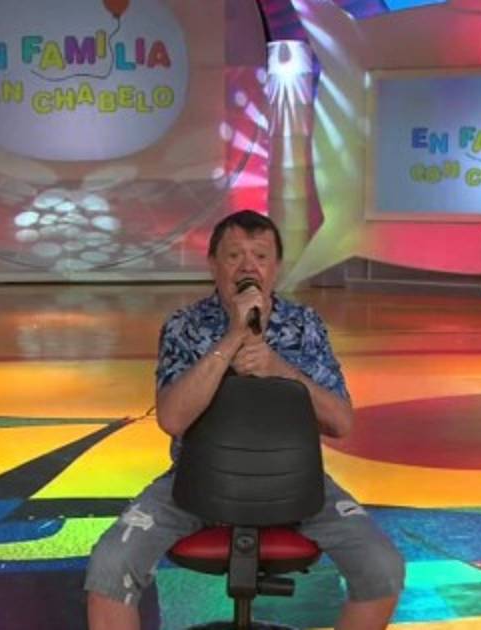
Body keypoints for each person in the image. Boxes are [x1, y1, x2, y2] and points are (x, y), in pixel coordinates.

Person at [85, 210, 405, 629]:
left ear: (276, 268)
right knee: (110, 567)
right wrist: (234, 336)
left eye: (260, 256)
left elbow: (341, 422)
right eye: (234, 255)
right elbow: (173, 418)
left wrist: (279, 369)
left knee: (382, 569)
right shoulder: (185, 325)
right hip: (196, 479)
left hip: (296, 480)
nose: (248, 267)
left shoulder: (305, 326)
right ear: (213, 264)